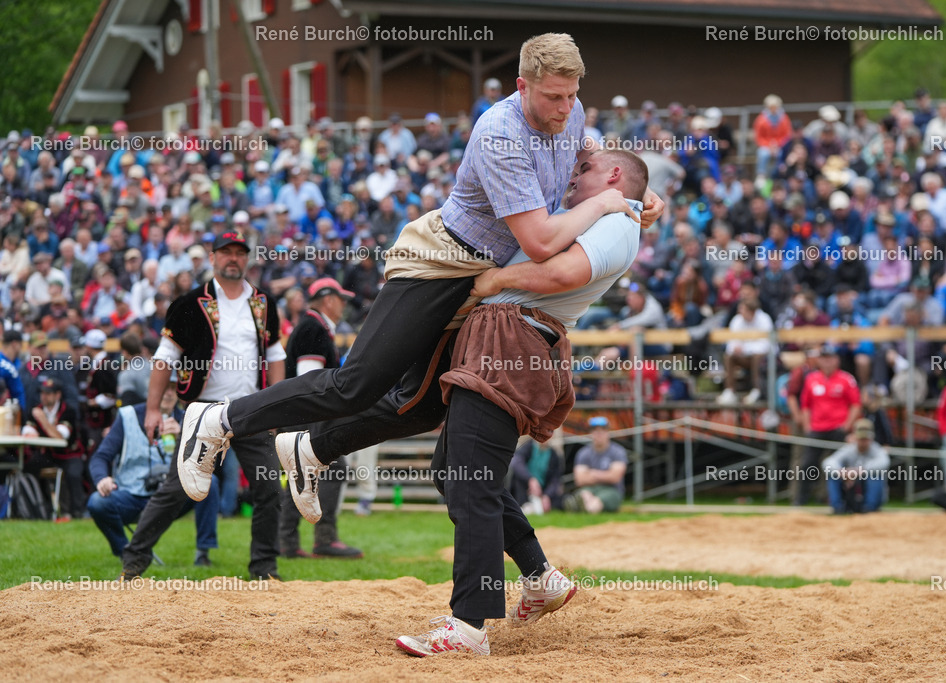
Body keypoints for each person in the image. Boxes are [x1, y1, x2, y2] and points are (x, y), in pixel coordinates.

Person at [175, 33, 663, 519]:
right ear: (522, 86)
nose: (565, 108)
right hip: (442, 260)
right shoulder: (500, 133)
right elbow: (538, 242)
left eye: (572, 95)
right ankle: (218, 418)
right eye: (554, 97)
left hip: (486, 270)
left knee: (426, 406)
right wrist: (605, 202)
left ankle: (312, 450)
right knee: (358, 383)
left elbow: (595, 159)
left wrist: (642, 193)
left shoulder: (570, 112)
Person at [394, 148, 645, 657]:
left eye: (586, 173)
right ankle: (540, 576)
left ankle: (468, 624)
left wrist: (497, 280)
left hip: (511, 342)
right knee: (454, 471)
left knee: (469, 482)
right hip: (504, 340)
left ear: (615, 178)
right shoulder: (605, 211)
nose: (573, 179)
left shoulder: (618, 219)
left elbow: (560, 275)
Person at [120, 231, 285, 581]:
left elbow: (275, 355)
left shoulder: (263, 304)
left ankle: (264, 569)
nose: (233, 259)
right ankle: (133, 561)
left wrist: (278, 404)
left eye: (240, 252)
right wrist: (152, 410)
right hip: (203, 410)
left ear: (247, 258)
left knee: (270, 487)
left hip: (253, 408)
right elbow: (165, 358)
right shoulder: (189, 303)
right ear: (212, 258)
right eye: (226, 252)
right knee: (177, 489)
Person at [277, 278, 363, 560]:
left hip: (299, 416)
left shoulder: (313, 326)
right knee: (333, 470)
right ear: (328, 300)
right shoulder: (314, 328)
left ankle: (287, 541)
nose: (344, 305)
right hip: (308, 416)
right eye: (341, 299)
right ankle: (323, 538)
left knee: (300, 475)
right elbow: (309, 381)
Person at [88, 384, 219, 563]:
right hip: (131, 496)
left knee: (210, 483)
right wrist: (102, 479)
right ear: (152, 389)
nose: (169, 392)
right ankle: (128, 554)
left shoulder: (189, 419)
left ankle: (203, 554)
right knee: (97, 502)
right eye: (164, 386)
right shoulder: (128, 416)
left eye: (174, 388)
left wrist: (186, 438)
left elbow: (208, 463)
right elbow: (100, 457)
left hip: (170, 498)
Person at [796, 343, 861, 505]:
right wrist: (807, 426)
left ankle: (837, 500)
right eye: (824, 358)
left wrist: (847, 425)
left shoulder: (846, 379)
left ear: (836, 360)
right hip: (816, 429)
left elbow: (856, 404)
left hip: (838, 428)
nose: (827, 362)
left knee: (840, 467)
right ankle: (801, 500)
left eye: (830, 358)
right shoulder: (811, 379)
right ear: (819, 360)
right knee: (807, 465)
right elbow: (805, 405)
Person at [22, 377, 85, 518]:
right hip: (49, 454)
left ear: (58, 395)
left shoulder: (68, 410)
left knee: (73, 473)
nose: (44, 397)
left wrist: (43, 421)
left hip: (69, 454)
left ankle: (76, 511)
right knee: (30, 467)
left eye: (48, 393)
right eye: (42, 393)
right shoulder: (36, 410)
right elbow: (28, 432)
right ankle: (42, 509)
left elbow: (60, 437)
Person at [822, 419, 890, 514]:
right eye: (860, 438)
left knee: (876, 475)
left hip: (867, 488)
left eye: (865, 438)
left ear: (871, 438)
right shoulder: (849, 449)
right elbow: (828, 462)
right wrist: (841, 472)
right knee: (833, 474)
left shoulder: (877, 450)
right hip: (851, 490)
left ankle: (869, 508)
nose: (863, 441)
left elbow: (884, 462)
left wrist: (859, 471)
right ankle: (838, 508)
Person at [562, 416, 629, 514]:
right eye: (596, 431)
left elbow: (615, 477)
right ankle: (581, 505)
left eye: (602, 430)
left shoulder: (618, 451)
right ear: (591, 433)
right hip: (590, 488)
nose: (599, 434)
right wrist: (606, 475)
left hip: (612, 490)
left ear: (608, 432)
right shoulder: (584, 453)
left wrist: (592, 474)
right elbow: (580, 480)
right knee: (585, 494)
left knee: (596, 502)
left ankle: (582, 507)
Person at [718, 300, 773, 405]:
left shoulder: (764, 319)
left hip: (762, 358)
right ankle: (730, 391)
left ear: (751, 311)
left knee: (757, 357)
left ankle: (757, 390)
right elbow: (731, 343)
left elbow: (766, 345)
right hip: (744, 357)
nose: (740, 311)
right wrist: (735, 348)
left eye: (742, 309)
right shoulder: (737, 320)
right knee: (729, 357)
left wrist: (745, 349)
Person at [509, 436, 564, 515]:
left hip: (542, 491)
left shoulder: (554, 455)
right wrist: (530, 480)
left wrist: (547, 495)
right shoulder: (528, 447)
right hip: (525, 488)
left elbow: (555, 480)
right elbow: (516, 463)